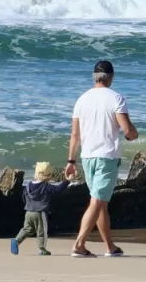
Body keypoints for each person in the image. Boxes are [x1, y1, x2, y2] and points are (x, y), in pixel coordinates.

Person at [68, 58, 136, 257]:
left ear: (94, 77)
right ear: (111, 77)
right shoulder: (116, 98)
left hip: (87, 156)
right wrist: (133, 134)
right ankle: (79, 244)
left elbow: (74, 135)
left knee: (101, 202)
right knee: (97, 201)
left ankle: (109, 247)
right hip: (106, 156)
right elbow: (127, 130)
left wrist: (71, 161)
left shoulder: (82, 99)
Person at [10, 161, 70, 255]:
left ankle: (16, 240)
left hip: (29, 212)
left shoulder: (28, 186)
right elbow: (58, 190)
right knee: (42, 231)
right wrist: (67, 180)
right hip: (40, 212)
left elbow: (23, 197)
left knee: (27, 229)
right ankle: (42, 249)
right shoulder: (46, 186)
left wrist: (29, 205)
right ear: (48, 175)